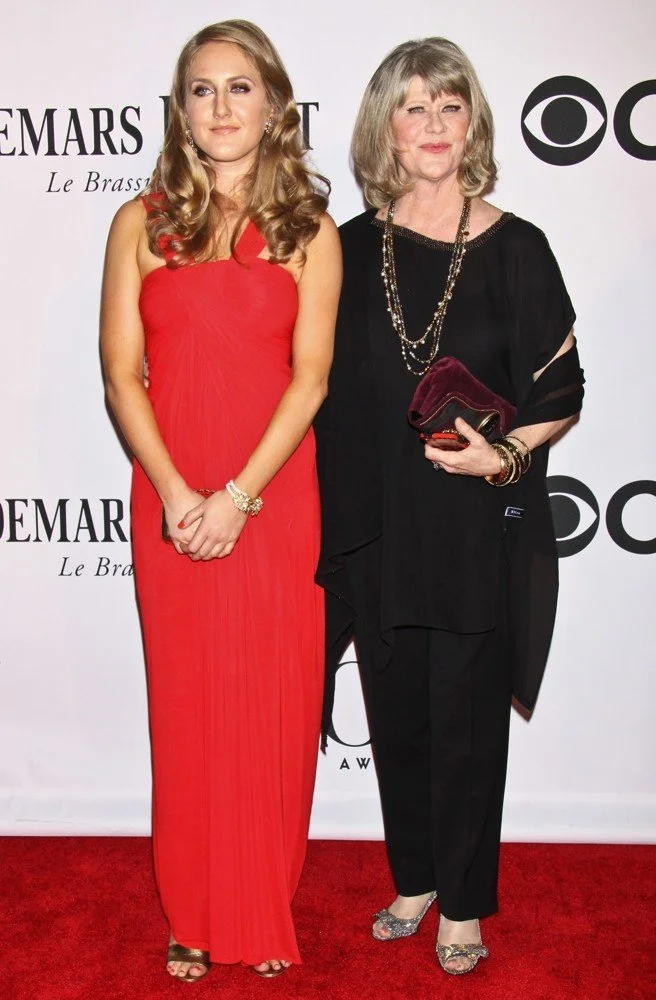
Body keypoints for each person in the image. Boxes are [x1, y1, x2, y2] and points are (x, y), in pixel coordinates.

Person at [315, 37, 583, 975]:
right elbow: (306, 381)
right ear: (384, 124)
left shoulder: (518, 248)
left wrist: (502, 457)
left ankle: (464, 905)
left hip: (471, 530)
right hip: (377, 530)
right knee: (400, 719)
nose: (433, 124)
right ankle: (417, 876)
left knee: (467, 725)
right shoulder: (344, 248)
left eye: (450, 104)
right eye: (414, 106)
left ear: (472, 121)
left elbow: (563, 393)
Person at [100, 19, 341, 982]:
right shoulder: (140, 222)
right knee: (190, 709)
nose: (222, 107)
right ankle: (195, 910)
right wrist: (175, 491)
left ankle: (259, 904)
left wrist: (238, 495)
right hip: (169, 491)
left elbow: (312, 378)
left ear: (274, 104)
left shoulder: (310, 232)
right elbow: (122, 374)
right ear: (181, 110)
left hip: (273, 494)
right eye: (202, 90)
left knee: (276, 708)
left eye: (240, 88)